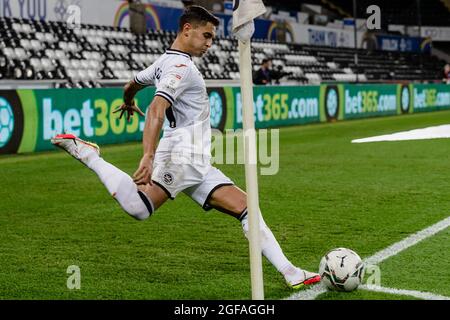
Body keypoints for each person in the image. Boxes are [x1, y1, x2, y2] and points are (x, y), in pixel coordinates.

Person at [51, 5, 320, 290]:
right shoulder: (181, 67)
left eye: (212, 38)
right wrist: (148, 154)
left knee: (247, 208)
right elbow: (156, 108)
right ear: (187, 30)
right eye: (206, 36)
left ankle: (290, 271)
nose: (209, 43)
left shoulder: (163, 62)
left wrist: (129, 99)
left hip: (198, 161)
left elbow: (133, 84)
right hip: (181, 157)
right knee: (139, 208)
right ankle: (89, 155)